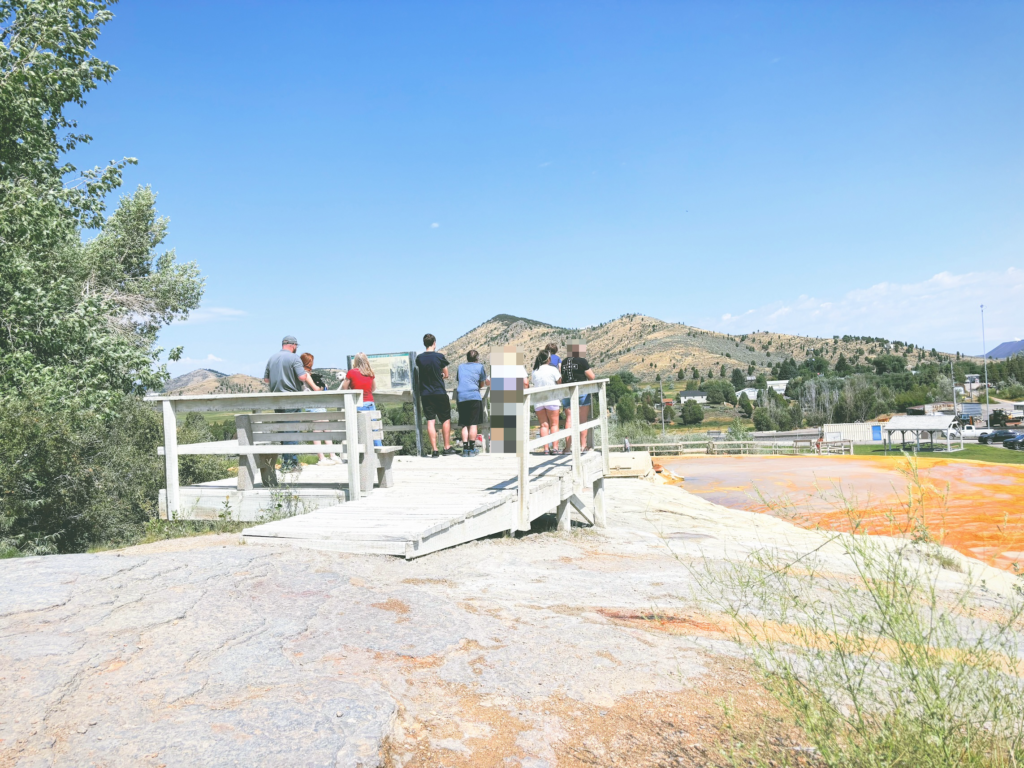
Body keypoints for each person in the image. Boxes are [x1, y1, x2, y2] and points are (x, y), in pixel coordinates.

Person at [263, 335, 317, 478]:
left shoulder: (272, 358)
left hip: (276, 400)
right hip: (292, 399)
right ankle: (291, 464)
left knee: (283, 431)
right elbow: (301, 377)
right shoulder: (294, 358)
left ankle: (287, 461)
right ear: (293, 345)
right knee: (292, 431)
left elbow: (266, 379)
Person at [416, 334, 456, 457]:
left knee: (430, 421)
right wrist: (441, 375)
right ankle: (446, 447)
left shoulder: (419, 358)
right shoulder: (439, 357)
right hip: (439, 391)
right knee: (445, 419)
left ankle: (434, 450)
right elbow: (446, 374)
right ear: (434, 343)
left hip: (425, 393)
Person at [300, 352, 338, 465]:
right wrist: (323, 387)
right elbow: (316, 389)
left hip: (312, 404)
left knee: (321, 429)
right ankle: (326, 456)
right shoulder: (305, 374)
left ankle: (326, 456)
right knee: (322, 430)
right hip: (315, 403)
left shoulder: (301, 374)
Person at [560, 341, 596, 453]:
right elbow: (592, 376)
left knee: (569, 419)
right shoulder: (582, 361)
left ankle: (567, 448)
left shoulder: (564, 362)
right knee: (582, 420)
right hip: (581, 391)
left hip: (567, 392)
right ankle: (583, 446)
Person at [342, 352, 382, 446]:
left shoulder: (351, 372)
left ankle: (360, 452)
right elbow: (373, 388)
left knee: (357, 429)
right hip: (369, 403)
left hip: (357, 404)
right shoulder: (370, 373)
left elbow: (344, 387)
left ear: (355, 361)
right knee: (374, 429)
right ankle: (378, 449)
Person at [455, 349, 489, 457]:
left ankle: (465, 450)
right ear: (477, 358)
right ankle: (472, 449)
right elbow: (482, 384)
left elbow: (460, 380)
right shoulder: (479, 367)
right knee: (473, 423)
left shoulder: (460, 367)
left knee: (464, 424)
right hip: (474, 396)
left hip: (461, 396)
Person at [530, 350, 562, 455]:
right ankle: (555, 448)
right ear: (548, 359)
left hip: (538, 401)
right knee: (554, 424)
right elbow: (559, 382)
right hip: (552, 398)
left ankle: (546, 449)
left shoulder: (535, 371)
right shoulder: (553, 369)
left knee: (543, 425)